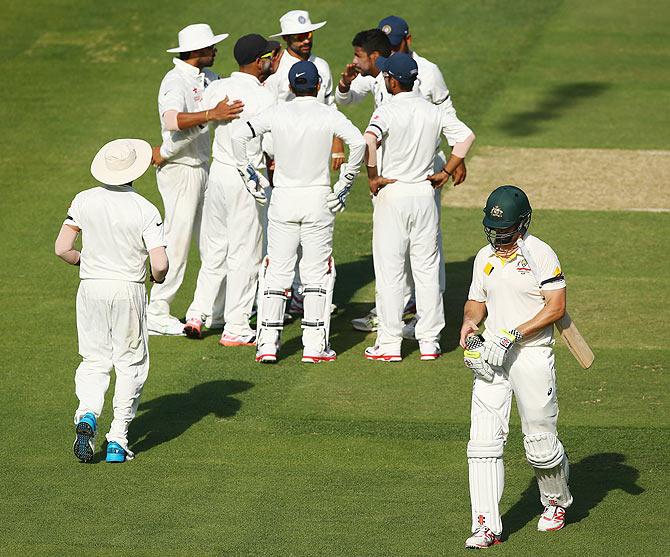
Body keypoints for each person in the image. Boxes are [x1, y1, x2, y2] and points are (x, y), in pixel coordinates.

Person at [340, 21, 473, 335]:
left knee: (422, 246)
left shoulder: (428, 71)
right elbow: (347, 100)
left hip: (418, 170)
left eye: (395, 44)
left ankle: (414, 315)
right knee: (400, 247)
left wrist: (454, 162)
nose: (390, 51)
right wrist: (345, 85)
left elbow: (447, 113)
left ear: (406, 41)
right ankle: (408, 317)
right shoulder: (376, 73)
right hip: (390, 173)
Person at [459, 185, 573, 548]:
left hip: (532, 353)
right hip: (492, 357)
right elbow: (476, 300)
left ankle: (556, 501)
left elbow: (555, 307)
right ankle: (485, 526)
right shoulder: (483, 257)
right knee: (482, 444)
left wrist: (515, 334)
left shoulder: (541, 254)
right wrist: (469, 324)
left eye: (505, 232)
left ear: (522, 224)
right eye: (493, 232)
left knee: (540, 443)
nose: (498, 238)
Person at [232, 61, 366, 363]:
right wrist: (344, 183)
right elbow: (358, 143)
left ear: (291, 86)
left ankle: (267, 344)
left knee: (276, 271)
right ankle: (315, 346)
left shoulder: (278, 111)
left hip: (283, 199)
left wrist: (248, 174)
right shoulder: (329, 114)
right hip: (318, 198)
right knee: (317, 273)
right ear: (318, 85)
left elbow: (238, 136)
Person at [55, 139, 168, 463]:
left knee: (94, 359)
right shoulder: (145, 209)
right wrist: (157, 279)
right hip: (127, 290)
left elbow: (63, 248)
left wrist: (85, 262)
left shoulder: (83, 200)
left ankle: (88, 413)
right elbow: (159, 264)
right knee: (130, 362)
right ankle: (117, 439)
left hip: (91, 287)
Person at [362, 53, 474, 361]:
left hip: (394, 193)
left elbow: (368, 141)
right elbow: (465, 137)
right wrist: (446, 171)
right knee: (426, 270)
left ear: (393, 81)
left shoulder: (386, 110)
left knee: (390, 272)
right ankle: (429, 342)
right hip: (425, 194)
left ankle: (388, 343)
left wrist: (373, 176)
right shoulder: (432, 110)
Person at [147, 24, 244, 335]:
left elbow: (229, 98)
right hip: (180, 169)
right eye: (210, 47)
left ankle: (214, 309)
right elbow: (172, 120)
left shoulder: (209, 78)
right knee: (177, 241)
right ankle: (157, 310)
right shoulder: (174, 81)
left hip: (204, 167)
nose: (216, 51)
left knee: (214, 241)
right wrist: (210, 115)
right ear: (195, 52)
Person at [183, 34, 277, 345]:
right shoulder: (264, 97)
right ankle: (236, 325)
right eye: (270, 55)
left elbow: (200, 121)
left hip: (218, 177)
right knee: (245, 254)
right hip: (246, 178)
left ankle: (198, 313)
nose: (274, 59)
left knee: (214, 251)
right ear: (257, 61)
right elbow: (273, 146)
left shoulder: (218, 87)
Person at [265, 9, 346, 316]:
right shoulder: (276, 70)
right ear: (286, 39)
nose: (306, 40)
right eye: (299, 37)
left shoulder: (321, 66)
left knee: (312, 230)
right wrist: (270, 157)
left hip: (314, 154)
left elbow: (329, 105)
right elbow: (268, 116)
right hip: (284, 159)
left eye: (309, 34)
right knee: (285, 231)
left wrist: (337, 144)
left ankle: (302, 295)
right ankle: (283, 296)